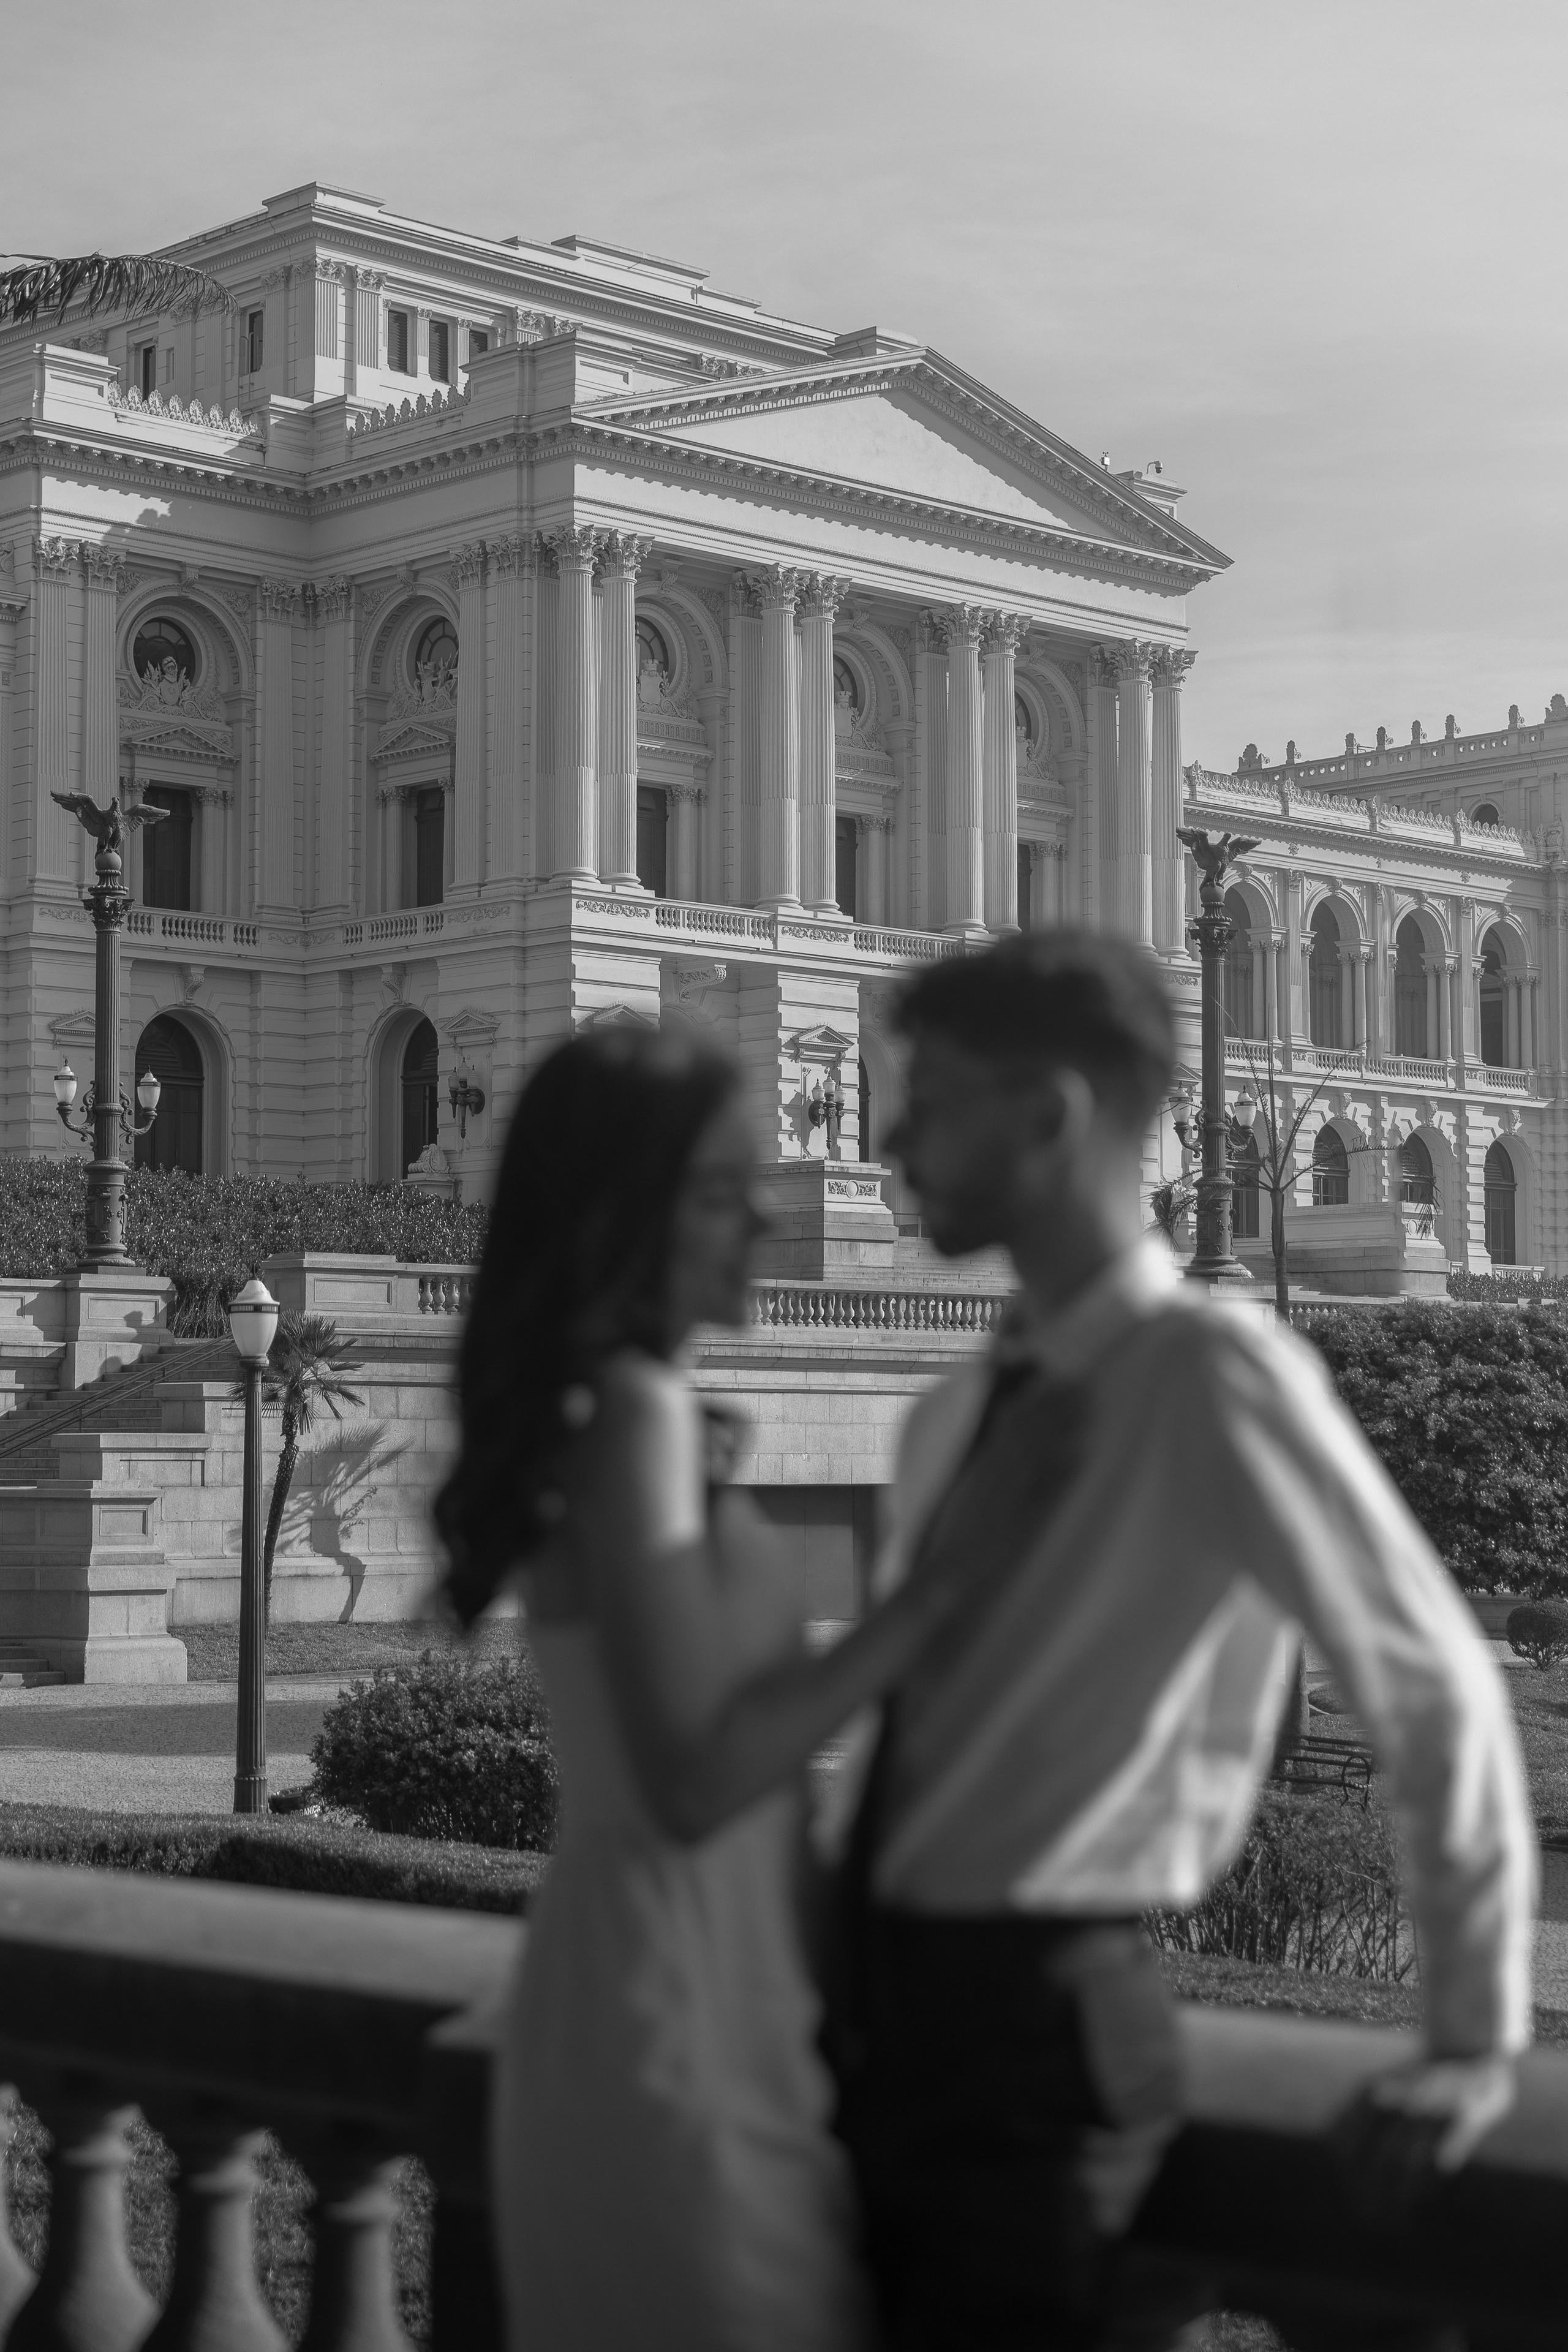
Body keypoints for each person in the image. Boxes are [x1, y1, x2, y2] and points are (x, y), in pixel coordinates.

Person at [826, 927, 1536, 2352]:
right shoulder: (952, 1413)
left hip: (1039, 2045)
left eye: (930, 1097)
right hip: (878, 2031)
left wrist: (1467, 2041)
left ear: (1049, 1117)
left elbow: (1433, 1689)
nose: (888, 1136)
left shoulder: (1205, 1374)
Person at [435, 1024, 1006, 2352]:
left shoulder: (642, 1409)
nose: (763, 1211)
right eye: (714, 1187)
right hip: (670, 2010)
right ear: (615, 1216)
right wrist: (932, 1599)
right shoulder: (630, 1412)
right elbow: (693, 1780)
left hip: (700, 1983)